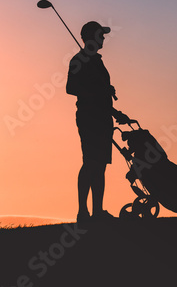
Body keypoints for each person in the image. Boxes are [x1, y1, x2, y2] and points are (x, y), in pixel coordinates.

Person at [66, 21, 129, 223]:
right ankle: (83, 212)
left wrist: (114, 110)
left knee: (100, 165)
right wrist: (98, 90)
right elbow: (70, 87)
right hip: (88, 117)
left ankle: (98, 211)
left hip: (103, 116)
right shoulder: (79, 60)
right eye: (101, 35)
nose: (103, 39)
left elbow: (101, 94)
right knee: (90, 162)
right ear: (91, 37)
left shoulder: (98, 62)